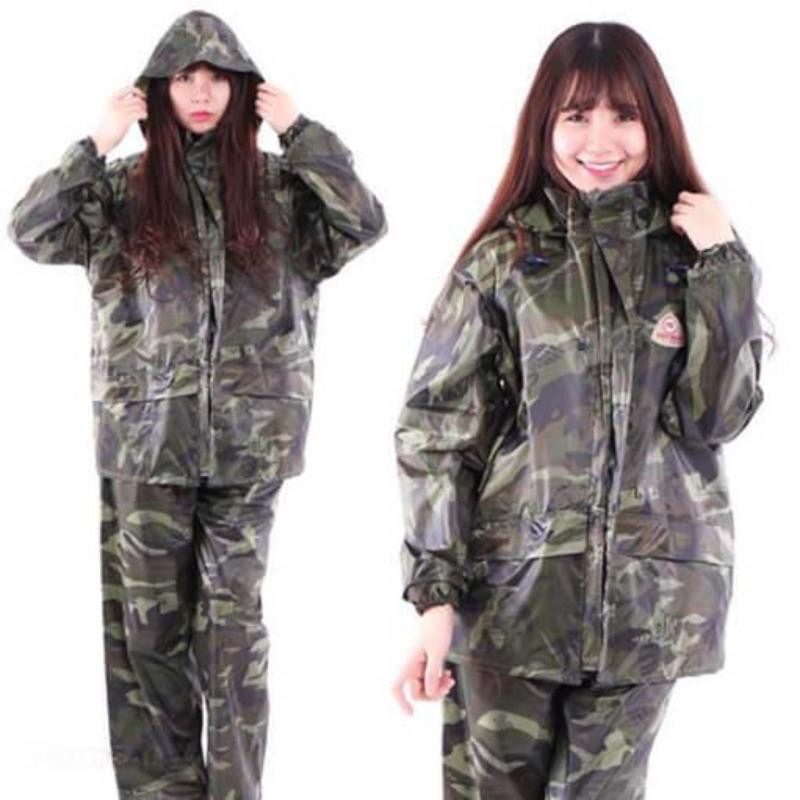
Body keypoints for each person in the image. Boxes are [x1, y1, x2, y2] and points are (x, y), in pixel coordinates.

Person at [8, 9, 386, 800]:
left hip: (250, 448)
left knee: (233, 635)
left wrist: (303, 132)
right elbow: (31, 231)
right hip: (145, 444)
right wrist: (96, 141)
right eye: (186, 78)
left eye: (219, 78)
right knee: (148, 636)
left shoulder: (283, 192)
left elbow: (364, 222)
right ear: (158, 91)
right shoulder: (120, 191)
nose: (204, 93)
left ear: (246, 90)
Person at [391, 20, 768, 799]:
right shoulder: (501, 262)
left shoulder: (693, 261)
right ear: (545, 124)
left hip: (650, 606)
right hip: (512, 599)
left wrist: (724, 263)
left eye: (623, 114)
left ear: (654, 122)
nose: (600, 139)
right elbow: (438, 436)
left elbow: (716, 418)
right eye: (576, 115)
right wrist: (435, 600)